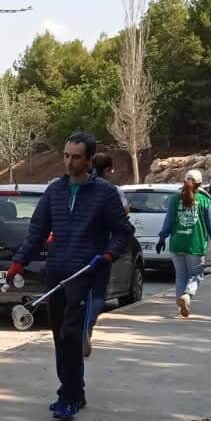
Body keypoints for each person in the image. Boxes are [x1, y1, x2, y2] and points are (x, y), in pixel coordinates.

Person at [6, 132, 133, 421]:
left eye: (76, 157)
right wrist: (18, 262)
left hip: (86, 275)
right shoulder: (54, 192)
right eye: (66, 155)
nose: (69, 162)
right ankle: (77, 390)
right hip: (57, 274)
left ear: (89, 159)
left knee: (71, 336)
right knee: (59, 336)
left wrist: (108, 255)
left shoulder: (105, 194)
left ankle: (69, 397)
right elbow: (37, 231)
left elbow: (124, 232)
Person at [155, 169, 211, 319]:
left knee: (180, 276)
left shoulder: (174, 199)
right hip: (195, 244)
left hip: (177, 243)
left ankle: (180, 308)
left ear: (184, 182)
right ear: (199, 184)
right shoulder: (205, 201)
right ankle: (188, 295)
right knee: (196, 275)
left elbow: (168, 222)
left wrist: (161, 238)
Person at [82, 153, 129, 357]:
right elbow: (124, 214)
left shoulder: (80, 186)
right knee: (98, 293)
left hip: (76, 246)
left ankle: (78, 327)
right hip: (102, 247)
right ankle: (87, 329)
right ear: (110, 169)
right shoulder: (112, 191)